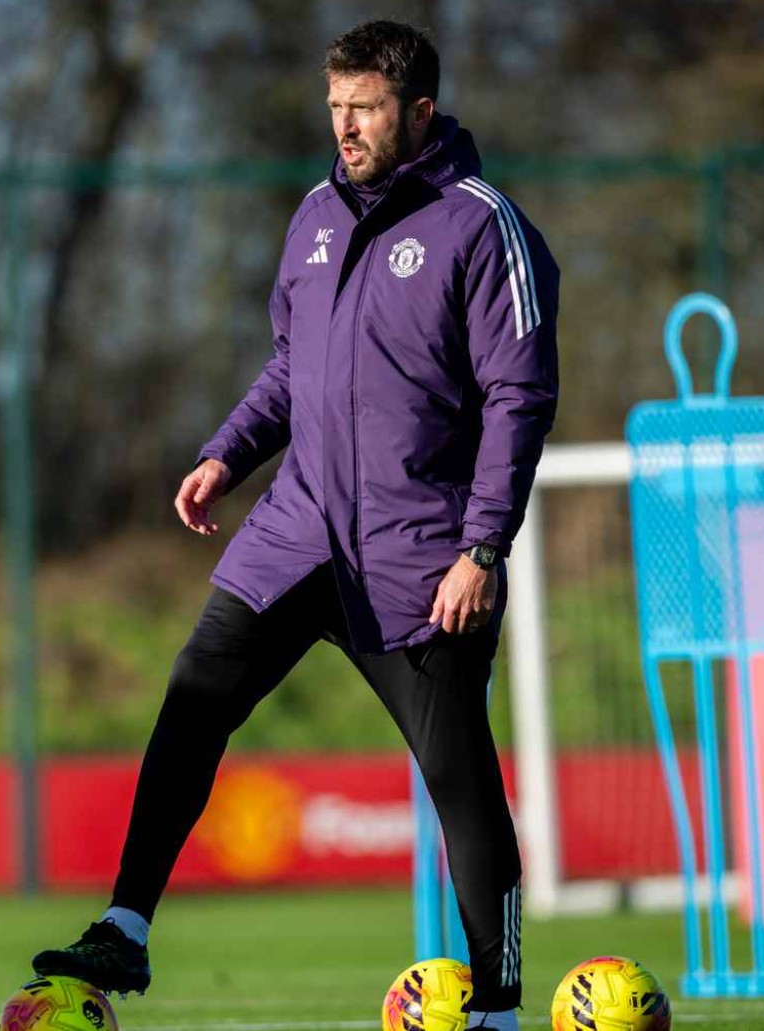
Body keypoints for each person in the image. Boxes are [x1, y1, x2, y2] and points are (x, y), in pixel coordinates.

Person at [32, 19, 559, 1030]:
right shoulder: (315, 214)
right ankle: (125, 925)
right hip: (297, 530)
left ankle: (495, 1009)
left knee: (459, 781)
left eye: (365, 108)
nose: (344, 126)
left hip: (420, 558)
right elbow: (291, 365)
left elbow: (519, 398)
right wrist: (227, 454)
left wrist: (482, 548)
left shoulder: (484, 226)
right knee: (194, 693)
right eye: (335, 107)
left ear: (420, 111)